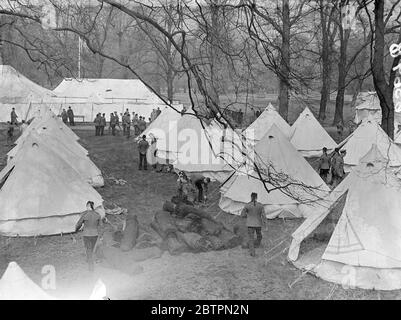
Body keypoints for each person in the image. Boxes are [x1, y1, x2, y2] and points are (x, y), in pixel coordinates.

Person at [75, 201, 103, 272]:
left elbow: (79, 224)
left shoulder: (85, 215)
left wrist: (76, 229)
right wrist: (101, 234)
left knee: (88, 249)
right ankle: (89, 259)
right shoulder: (97, 215)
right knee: (92, 248)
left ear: (88, 206)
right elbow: (101, 226)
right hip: (95, 235)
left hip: (86, 234)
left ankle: (90, 266)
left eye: (87, 206)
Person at [240, 192, 266, 257]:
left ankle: (252, 252)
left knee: (251, 238)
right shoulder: (260, 205)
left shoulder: (247, 205)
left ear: (251, 197)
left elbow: (242, 215)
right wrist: (265, 224)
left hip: (250, 224)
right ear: (257, 197)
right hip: (258, 224)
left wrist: (248, 216)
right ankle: (257, 244)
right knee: (259, 236)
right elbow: (264, 216)